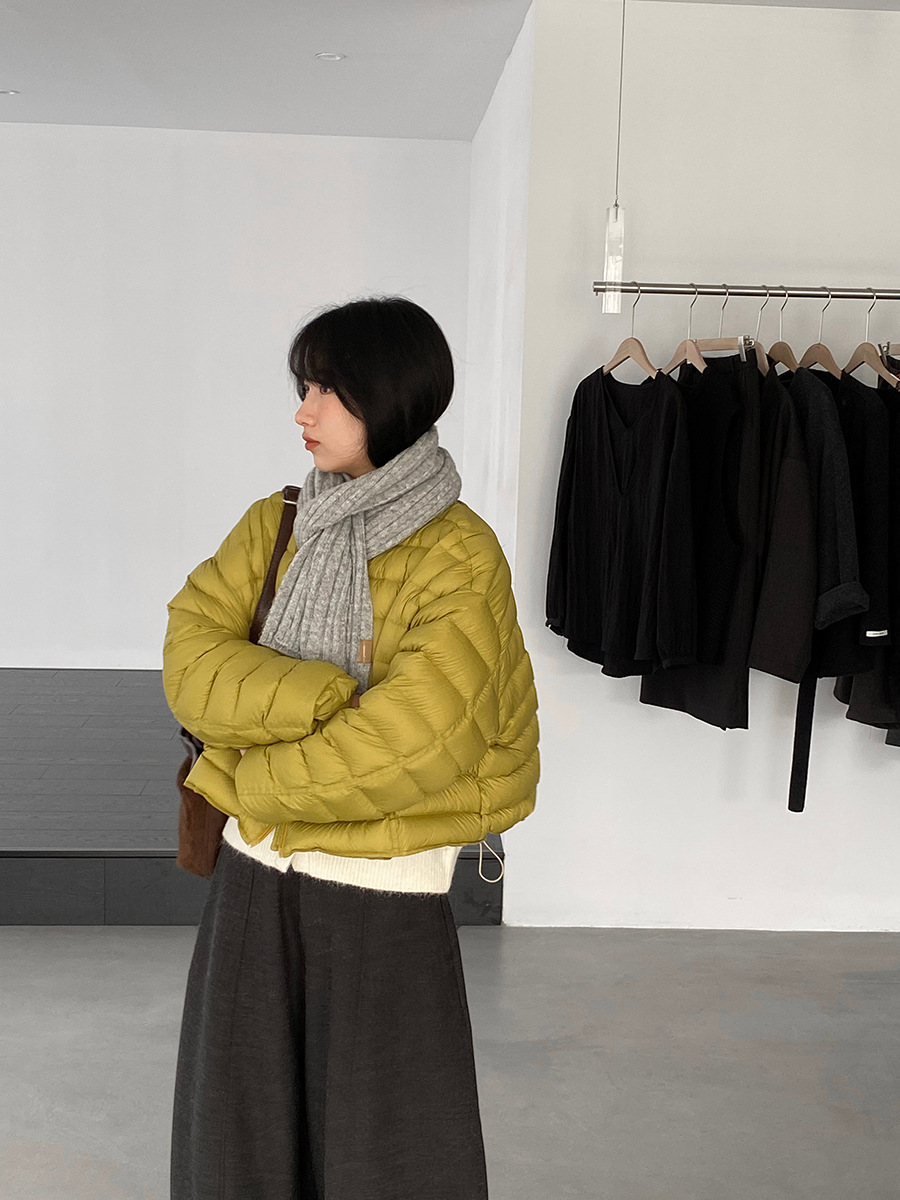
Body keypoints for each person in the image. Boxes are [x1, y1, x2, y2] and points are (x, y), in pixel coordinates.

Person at [162, 294, 540, 1200]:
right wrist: (323, 696)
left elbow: (415, 742)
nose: (304, 411)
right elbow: (191, 656)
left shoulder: (460, 554)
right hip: (254, 879)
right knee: (238, 1145)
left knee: (388, 1153)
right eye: (303, 387)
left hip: (381, 898)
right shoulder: (277, 522)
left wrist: (243, 772)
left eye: (327, 390)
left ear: (392, 396)